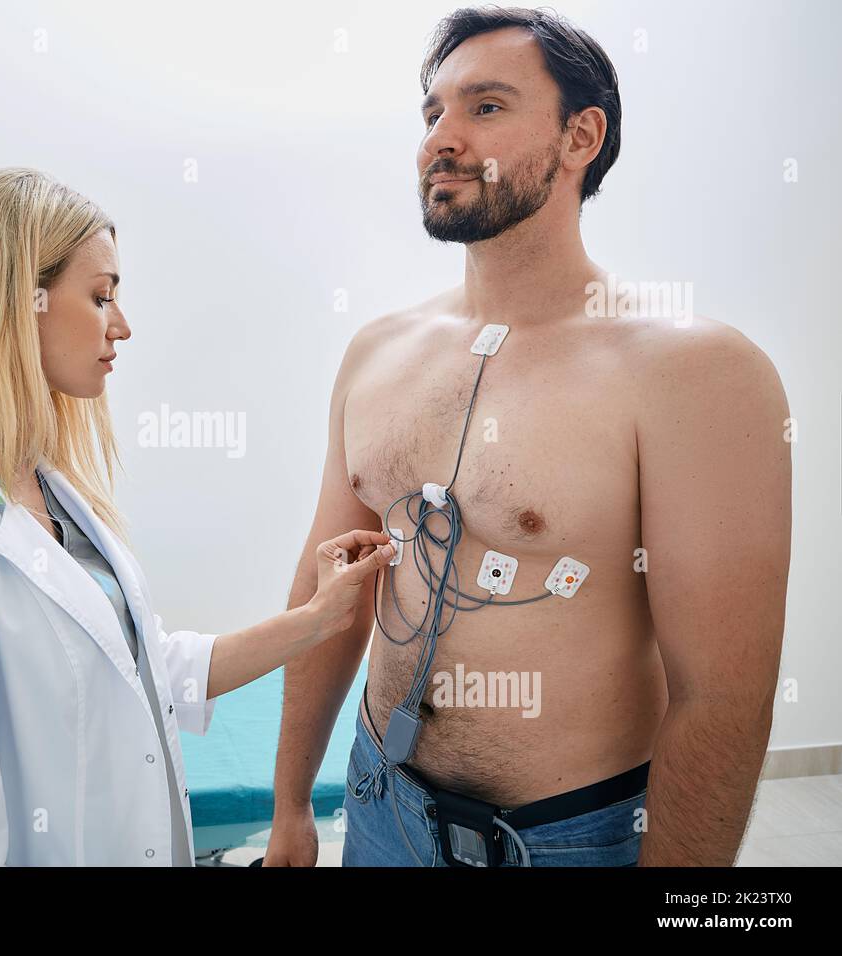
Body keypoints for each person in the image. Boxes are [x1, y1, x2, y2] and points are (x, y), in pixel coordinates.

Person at [265, 6, 790, 867]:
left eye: (487, 107)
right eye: (432, 112)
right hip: (379, 806)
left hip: (572, 840)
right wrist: (291, 801)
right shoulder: (376, 354)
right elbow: (329, 590)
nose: (443, 137)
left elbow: (723, 697)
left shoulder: (698, 375)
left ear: (581, 135)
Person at [0, 168, 395, 866]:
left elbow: (148, 667)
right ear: (16, 302)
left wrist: (316, 619)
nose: (122, 326)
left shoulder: (46, 490)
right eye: (100, 297)